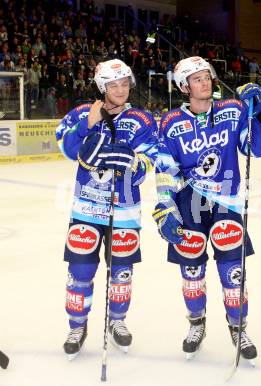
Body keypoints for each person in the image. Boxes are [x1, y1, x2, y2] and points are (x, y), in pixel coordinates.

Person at [152, 56, 261, 362]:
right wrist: (165, 205)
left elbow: (259, 149)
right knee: (192, 272)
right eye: (197, 79)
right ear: (184, 87)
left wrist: (257, 114)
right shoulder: (169, 122)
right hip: (188, 202)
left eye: (207, 77)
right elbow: (166, 169)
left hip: (227, 203)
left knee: (233, 272)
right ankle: (196, 324)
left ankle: (238, 326)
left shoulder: (232, 111)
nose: (205, 82)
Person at [55, 59, 158, 360]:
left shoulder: (142, 119)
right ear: (102, 87)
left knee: (121, 274)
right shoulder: (81, 113)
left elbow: (150, 164)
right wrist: (87, 124)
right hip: (86, 208)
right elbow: (66, 149)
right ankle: (77, 326)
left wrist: (133, 163)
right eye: (113, 85)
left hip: (124, 210)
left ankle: (117, 322)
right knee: (80, 271)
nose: (121, 90)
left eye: (125, 84)